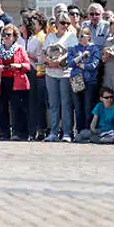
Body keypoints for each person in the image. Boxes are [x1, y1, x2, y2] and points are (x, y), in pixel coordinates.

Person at [0, 24, 31, 140]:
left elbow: (28, 66)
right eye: (4, 35)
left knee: (17, 109)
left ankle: (18, 133)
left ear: (14, 37)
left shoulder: (20, 49)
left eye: (9, 35)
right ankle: (4, 133)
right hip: (2, 82)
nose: (6, 37)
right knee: (2, 108)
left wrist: (18, 65)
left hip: (17, 82)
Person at [42, 13, 75, 141]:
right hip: (51, 73)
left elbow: (71, 52)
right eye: (62, 23)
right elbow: (44, 52)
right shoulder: (50, 36)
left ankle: (67, 132)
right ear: (56, 23)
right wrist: (48, 61)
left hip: (64, 73)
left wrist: (59, 60)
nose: (65, 26)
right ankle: (54, 132)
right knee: (53, 104)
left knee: (66, 103)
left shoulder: (71, 36)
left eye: (67, 23)